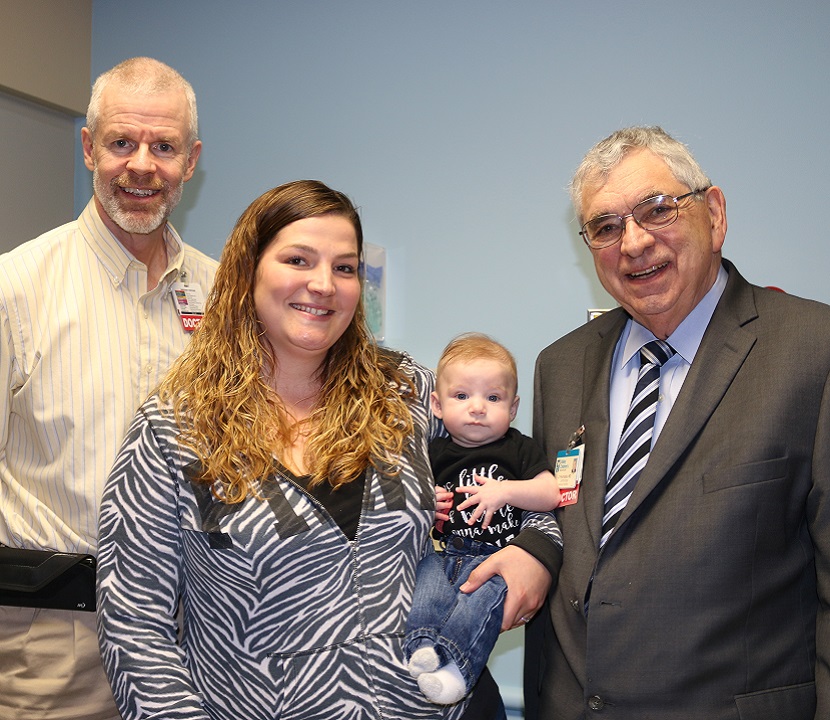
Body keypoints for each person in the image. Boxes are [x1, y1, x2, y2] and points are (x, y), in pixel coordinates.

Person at [95, 181, 560, 720]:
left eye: (344, 268)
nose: (323, 285)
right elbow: (134, 628)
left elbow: (515, 468)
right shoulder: (175, 428)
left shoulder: (403, 391)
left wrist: (537, 553)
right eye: (298, 259)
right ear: (248, 271)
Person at [526, 125, 830, 720]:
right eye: (605, 227)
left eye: (656, 210)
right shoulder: (559, 366)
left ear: (714, 214)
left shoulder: (812, 351)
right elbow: (565, 541)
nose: (633, 243)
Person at [0, 57, 217, 720]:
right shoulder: (16, 290)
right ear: (89, 147)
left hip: (194, 647)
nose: (142, 165)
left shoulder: (223, 294)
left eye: (164, 147)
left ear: (192, 159)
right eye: (122, 142)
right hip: (56, 649)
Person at [404, 333, 561, 707]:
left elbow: (550, 493)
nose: (477, 408)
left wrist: (505, 491)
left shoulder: (518, 447)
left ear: (513, 406)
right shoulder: (433, 451)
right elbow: (411, 503)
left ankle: (458, 670)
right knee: (425, 585)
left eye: (493, 398)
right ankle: (423, 646)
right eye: (462, 396)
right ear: (437, 406)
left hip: (496, 558)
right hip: (446, 553)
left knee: (479, 607)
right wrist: (432, 502)